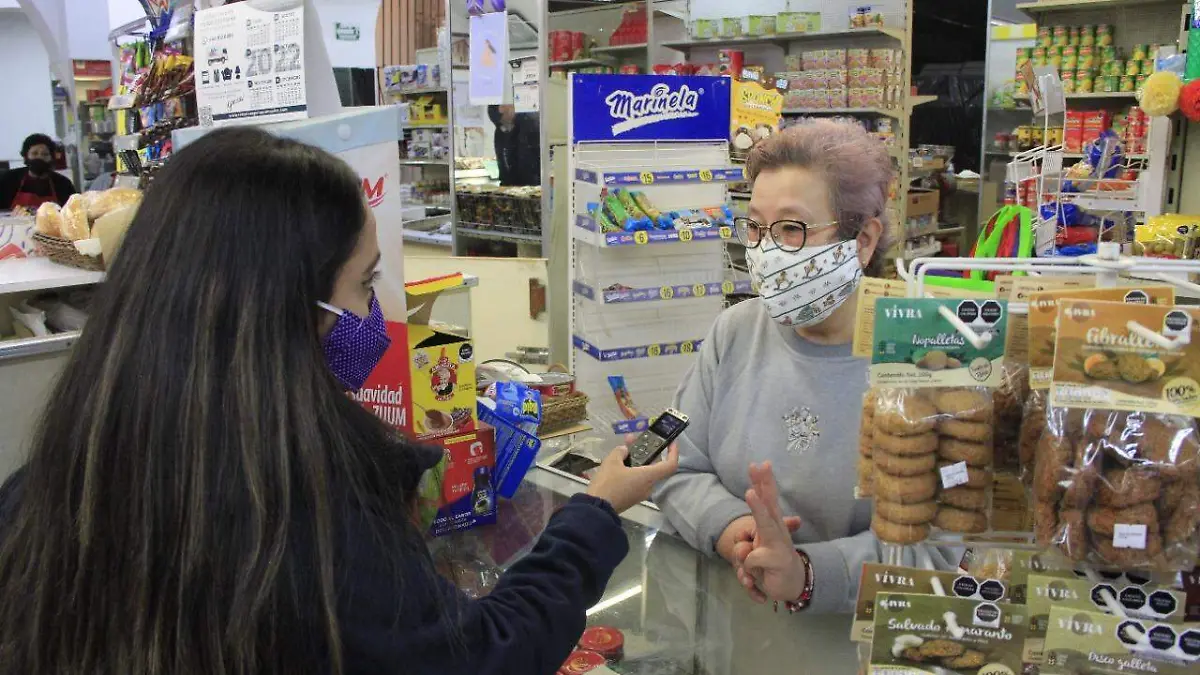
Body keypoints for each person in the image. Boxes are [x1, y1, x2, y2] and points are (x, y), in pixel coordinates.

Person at [0, 127, 678, 675]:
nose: (376, 314)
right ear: (286, 309)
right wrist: (591, 511)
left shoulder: (56, 476)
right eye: (365, 284)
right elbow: (482, 652)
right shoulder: (309, 516)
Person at [652, 119, 956, 615]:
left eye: (792, 228)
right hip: (736, 633)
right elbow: (672, 462)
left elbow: (949, 545)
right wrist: (735, 531)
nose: (766, 252)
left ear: (863, 240)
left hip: (863, 647)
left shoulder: (928, 355)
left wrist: (809, 574)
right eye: (754, 227)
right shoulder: (735, 332)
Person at [0, 133, 77, 210]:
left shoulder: (63, 184)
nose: (39, 157)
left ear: (51, 158)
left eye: (45, 154)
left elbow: (73, 212)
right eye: (34, 153)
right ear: (26, 156)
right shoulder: (9, 179)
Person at [487, 104, 540, 186]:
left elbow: (531, 159)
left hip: (532, 183)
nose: (504, 128)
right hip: (517, 184)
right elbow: (502, 158)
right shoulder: (501, 128)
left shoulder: (530, 122)